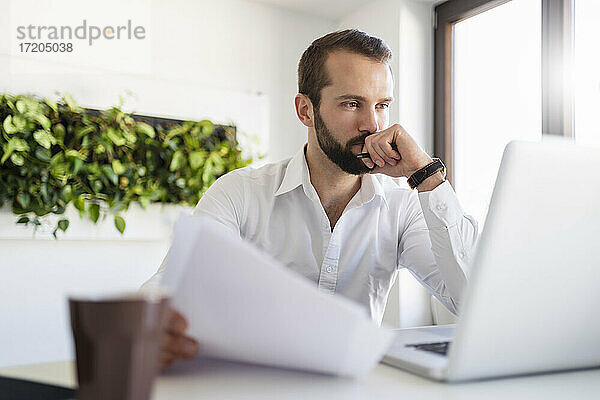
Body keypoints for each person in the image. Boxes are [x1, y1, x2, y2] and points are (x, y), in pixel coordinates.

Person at [145, 29, 478, 371]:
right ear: (305, 110)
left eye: (382, 106)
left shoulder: (402, 206)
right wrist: (155, 324)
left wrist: (426, 175)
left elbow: (471, 300)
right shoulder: (239, 193)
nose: (372, 124)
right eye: (352, 103)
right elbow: (162, 293)